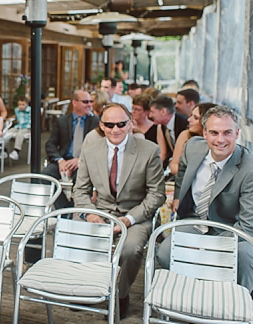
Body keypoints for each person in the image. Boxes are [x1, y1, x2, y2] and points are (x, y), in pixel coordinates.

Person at [72, 103, 165, 319]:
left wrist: (130, 219)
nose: (116, 129)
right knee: (75, 237)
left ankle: (120, 295)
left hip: (135, 214)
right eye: (110, 124)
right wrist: (90, 213)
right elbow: (80, 190)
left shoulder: (149, 150)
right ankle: (88, 288)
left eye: (121, 124)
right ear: (101, 126)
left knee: (131, 249)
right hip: (101, 211)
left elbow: (157, 194)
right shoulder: (89, 150)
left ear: (130, 124)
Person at [157, 106, 253, 293]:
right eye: (214, 133)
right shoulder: (193, 147)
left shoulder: (249, 169)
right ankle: (192, 296)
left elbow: (248, 226)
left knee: (245, 256)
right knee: (165, 252)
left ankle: (239, 307)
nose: (220, 140)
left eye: (227, 133)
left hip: (232, 229)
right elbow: (182, 169)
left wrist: (207, 247)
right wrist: (177, 196)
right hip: (196, 221)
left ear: (237, 133)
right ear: (205, 133)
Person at [43, 90, 99, 207]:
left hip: (84, 162)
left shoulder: (96, 122)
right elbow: (50, 144)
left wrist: (79, 160)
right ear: (74, 102)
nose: (89, 104)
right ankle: (65, 209)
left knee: (81, 181)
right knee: (46, 176)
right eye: (85, 101)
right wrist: (60, 160)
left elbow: (98, 148)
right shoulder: (62, 121)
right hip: (64, 159)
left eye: (91, 101)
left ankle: (75, 209)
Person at [169, 103, 216, 175]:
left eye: (196, 118)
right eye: (191, 115)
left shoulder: (216, 141)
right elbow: (174, 165)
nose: (189, 119)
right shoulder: (185, 135)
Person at [8, 96, 31, 161]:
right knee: (8, 132)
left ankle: (16, 151)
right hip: (18, 126)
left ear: (26, 104)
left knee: (20, 134)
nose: (21, 106)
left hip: (27, 127)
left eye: (23, 104)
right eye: (19, 104)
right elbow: (17, 117)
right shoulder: (17, 110)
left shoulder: (30, 110)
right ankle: (4, 150)